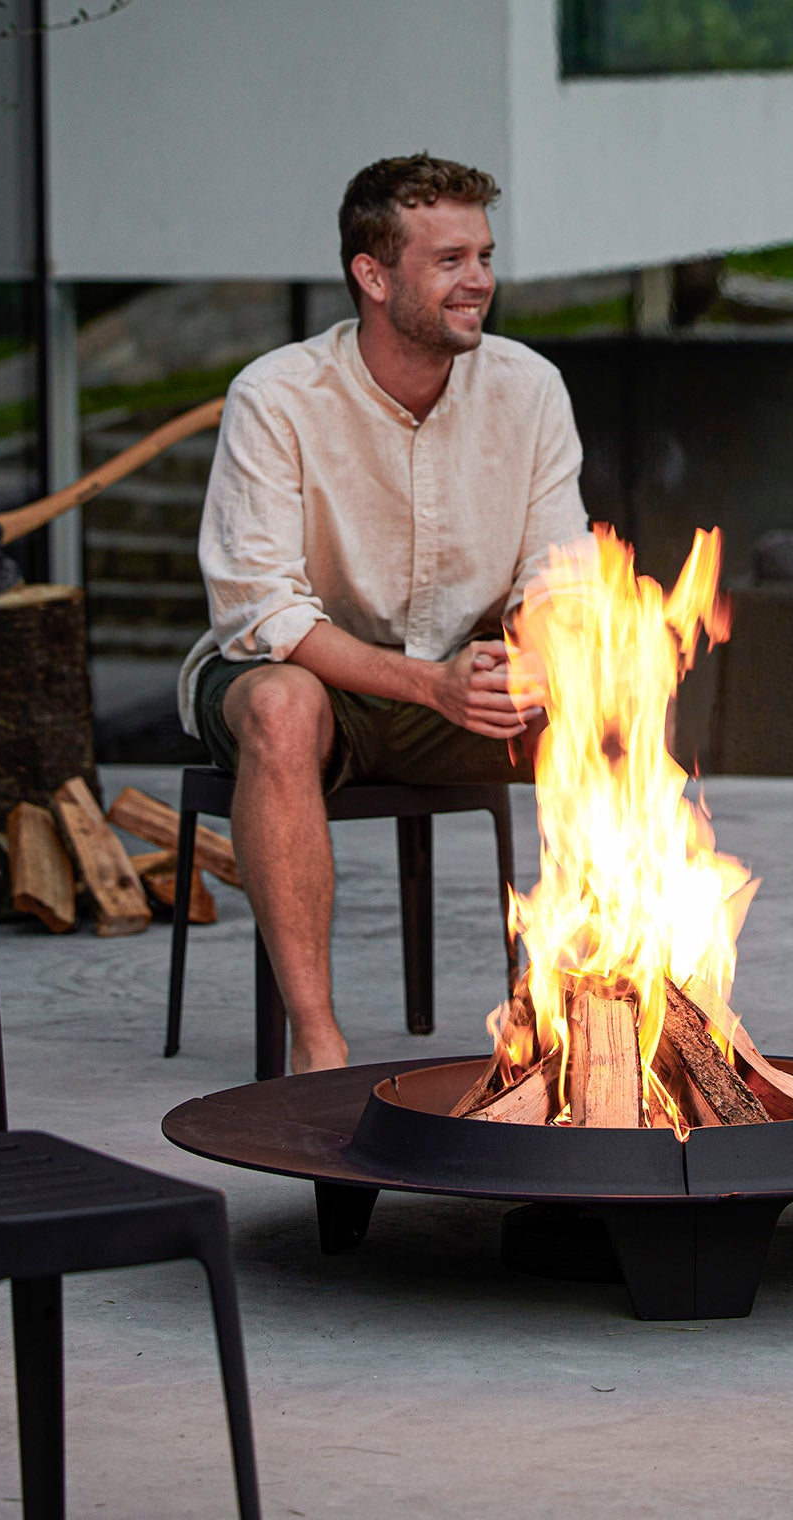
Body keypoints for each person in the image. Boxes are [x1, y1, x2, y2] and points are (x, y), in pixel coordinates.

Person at [176, 153, 590, 1073]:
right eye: (449, 260)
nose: (479, 279)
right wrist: (426, 684)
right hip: (314, 684)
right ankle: (318, 1042)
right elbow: (263, 613)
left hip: (463, 679)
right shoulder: (276, 396)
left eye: (482, 255)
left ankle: (584, 1019)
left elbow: (560, 580)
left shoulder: (530, 389)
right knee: (282, 705)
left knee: (609, 705)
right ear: (373, 274)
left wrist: (539, 660)